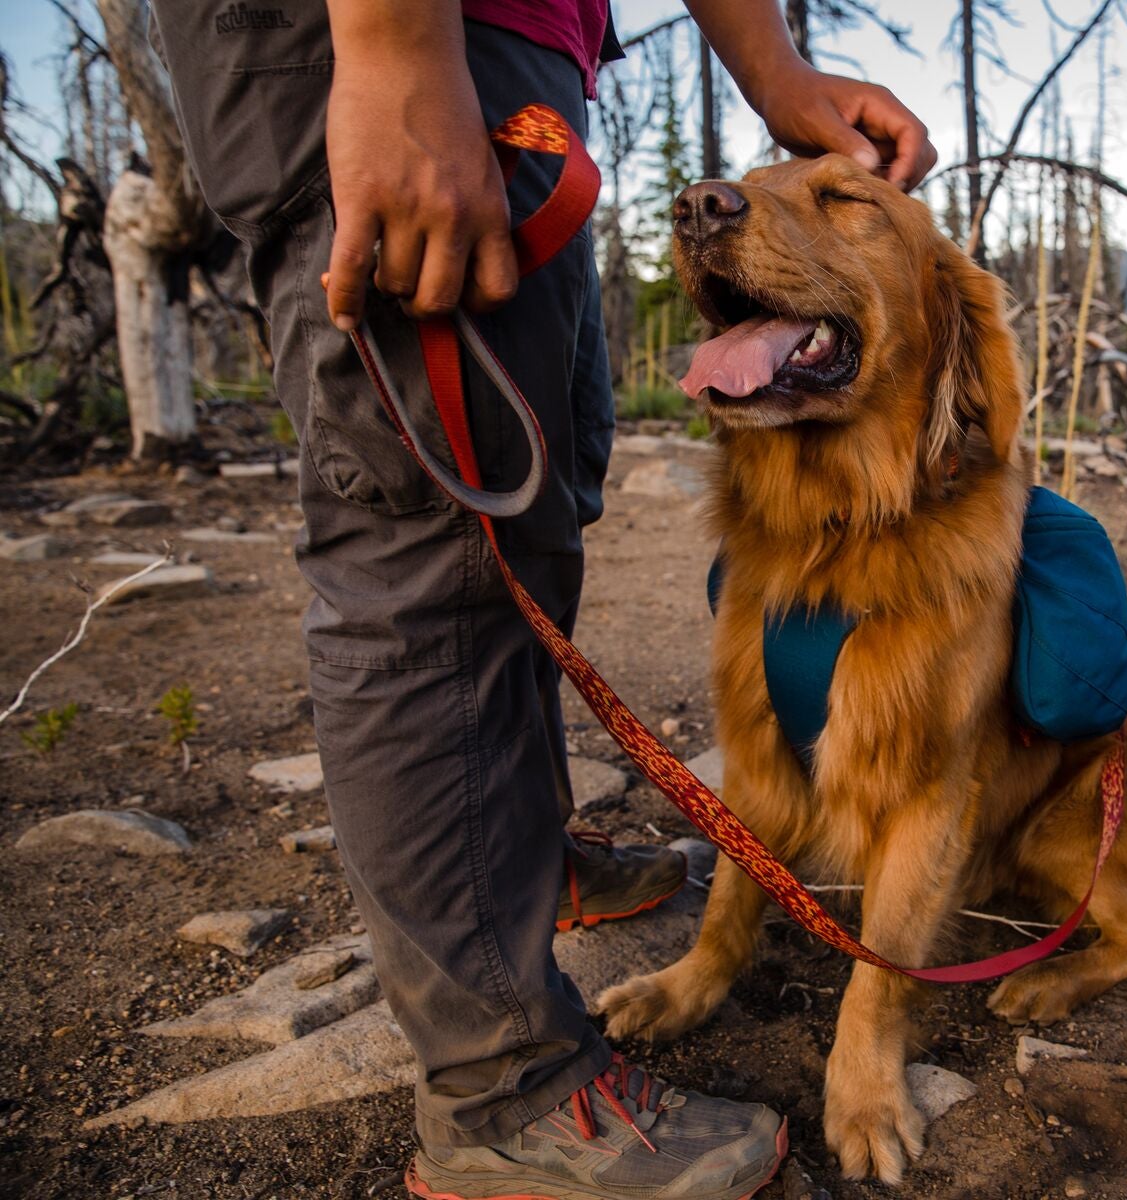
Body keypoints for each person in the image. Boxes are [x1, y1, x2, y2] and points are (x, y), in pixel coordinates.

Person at [146, 2, 936, 1196]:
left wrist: (775, 72)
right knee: (427, 549)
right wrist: (399, 50)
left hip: (522, 64)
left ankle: (516, 858)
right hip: (399, 40)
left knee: (534, 507)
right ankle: (502, 1088)